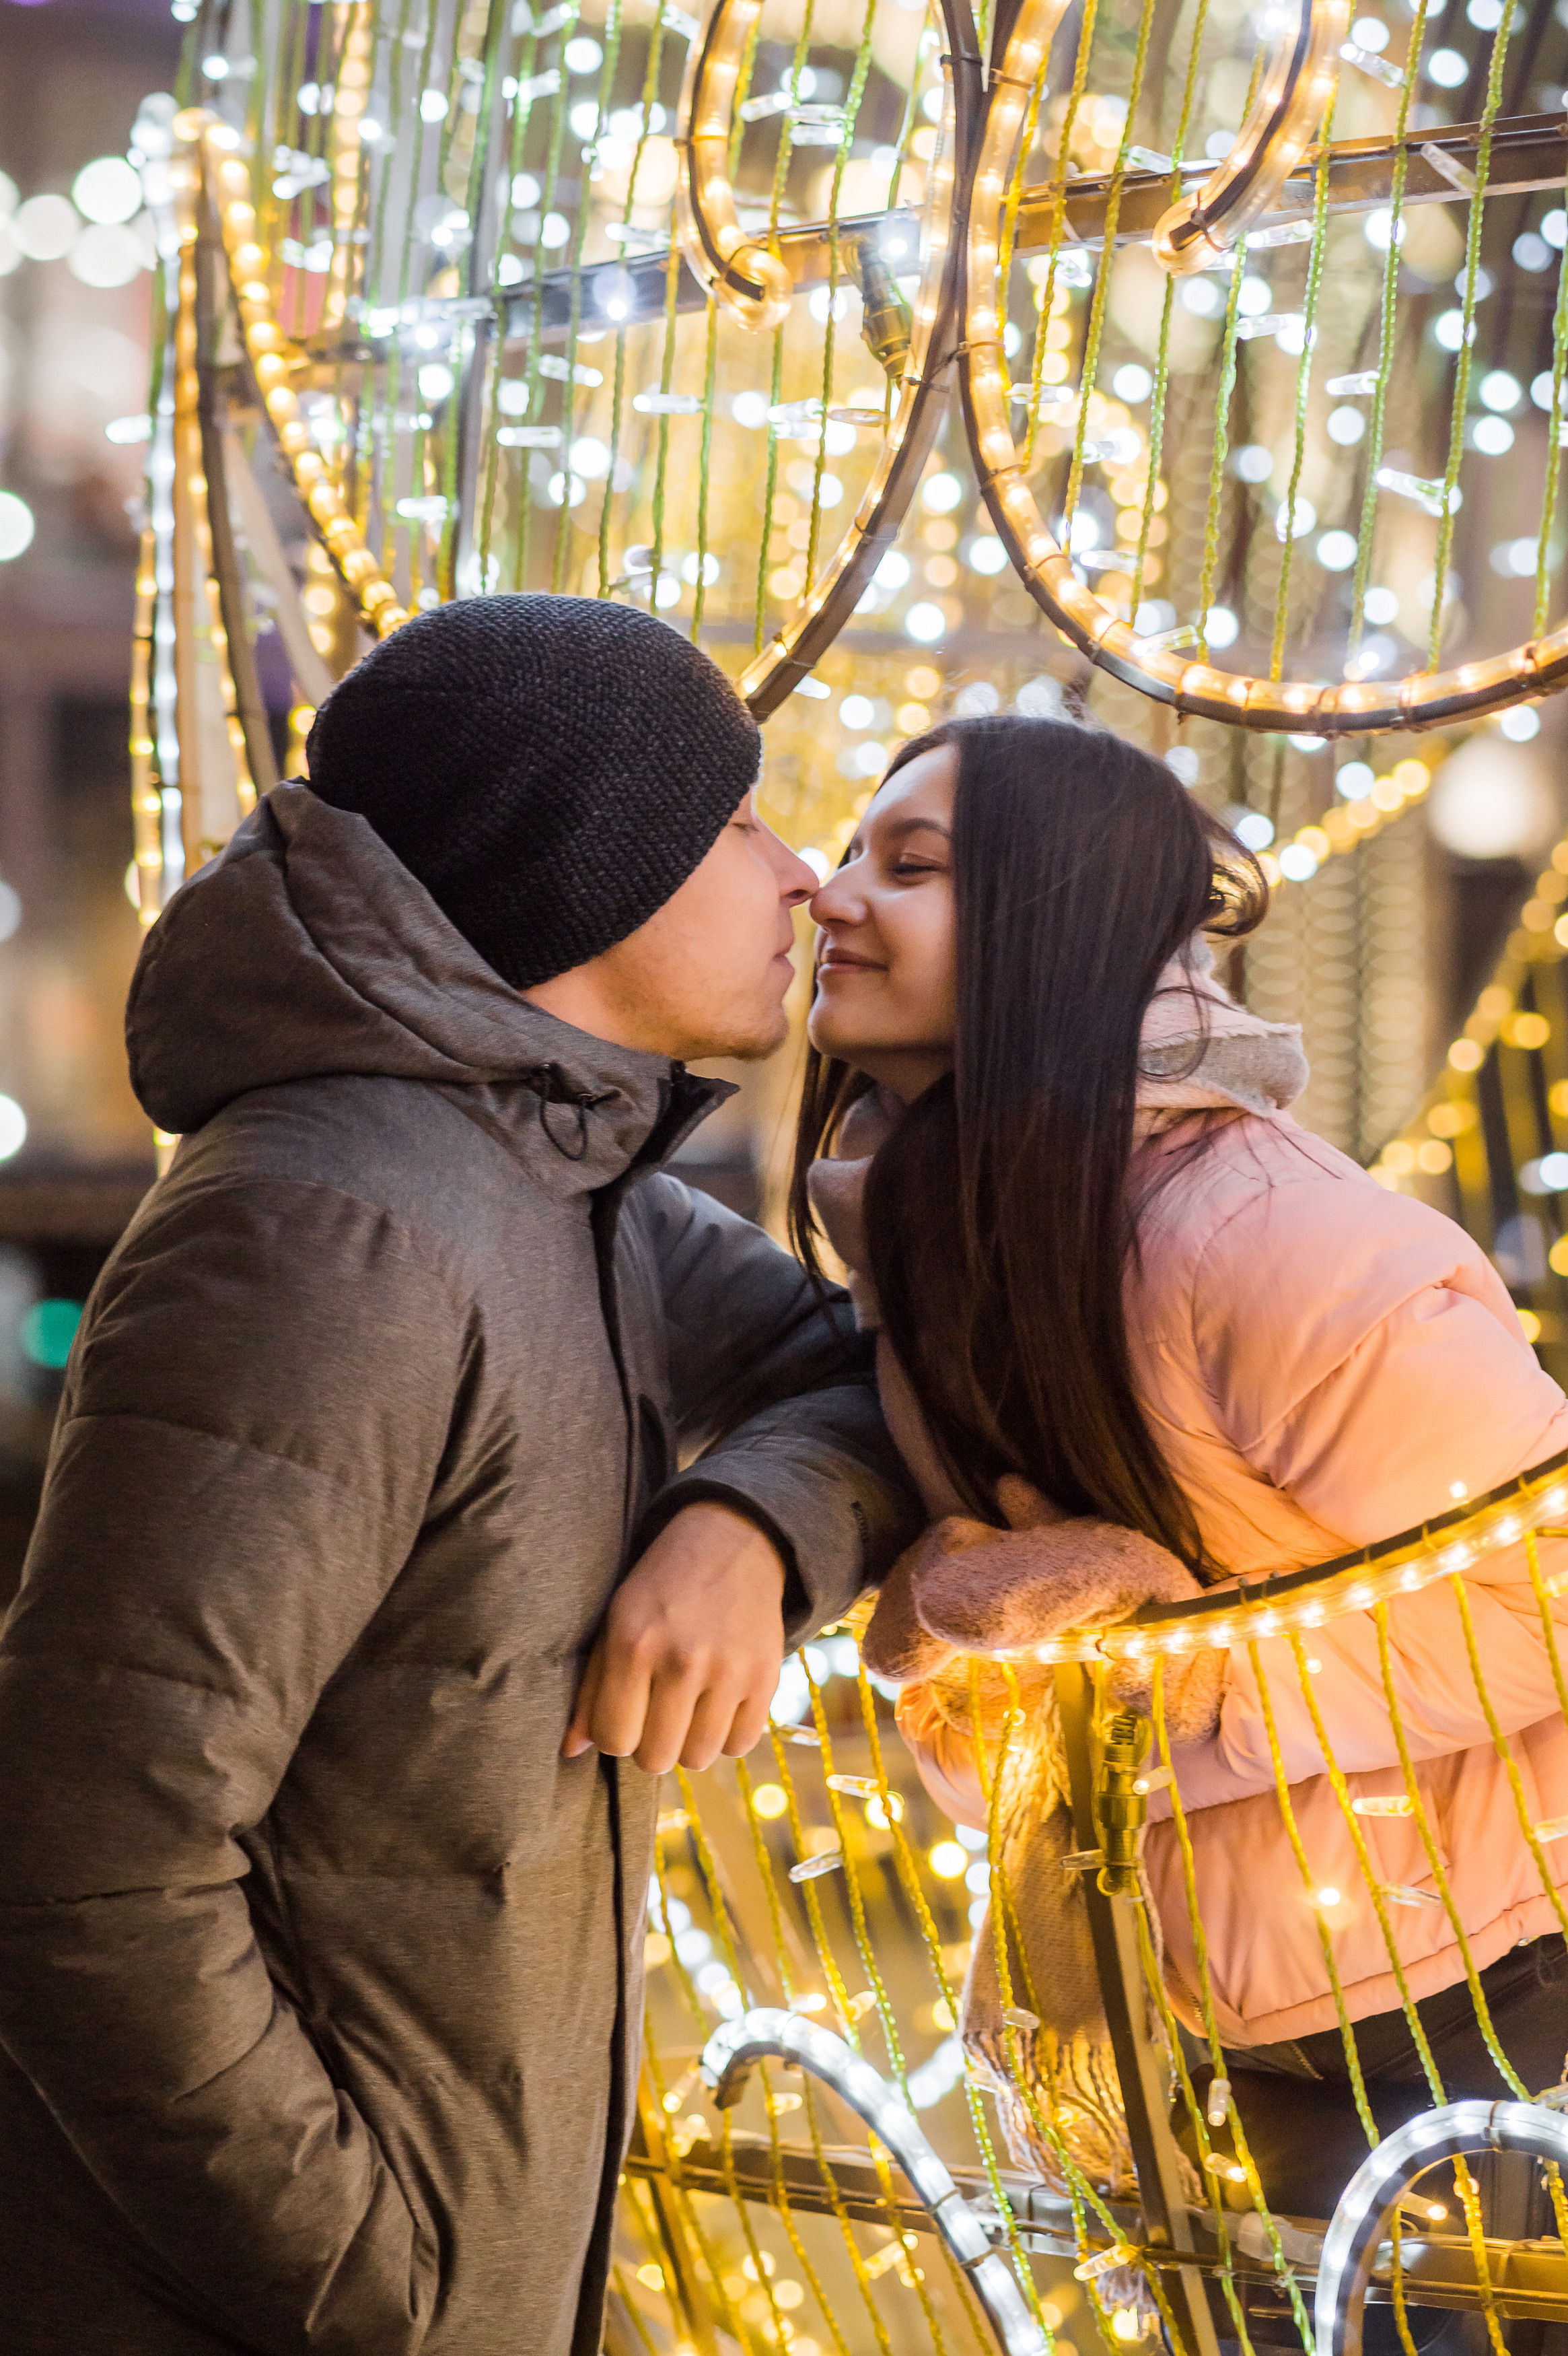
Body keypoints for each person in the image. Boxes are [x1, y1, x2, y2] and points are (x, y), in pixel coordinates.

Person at [0, 595, 918, 2356]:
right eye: (737, 821)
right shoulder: (329, 1226)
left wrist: (752, 1520)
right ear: (590, 860)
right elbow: (86, 1853)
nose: (801, 875)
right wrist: (371, 2274)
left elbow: (870, 1381)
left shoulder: (567, 1190)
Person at [790, 712, 1568, 2223]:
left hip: (1470, 1997)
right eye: (844, 855)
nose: (834, 897)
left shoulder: (1261, 1236)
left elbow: (1544, 1591)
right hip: (1211, 2019)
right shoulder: (965, 1233)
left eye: (911, 864)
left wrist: (1153, 1692)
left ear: (1050, 920)